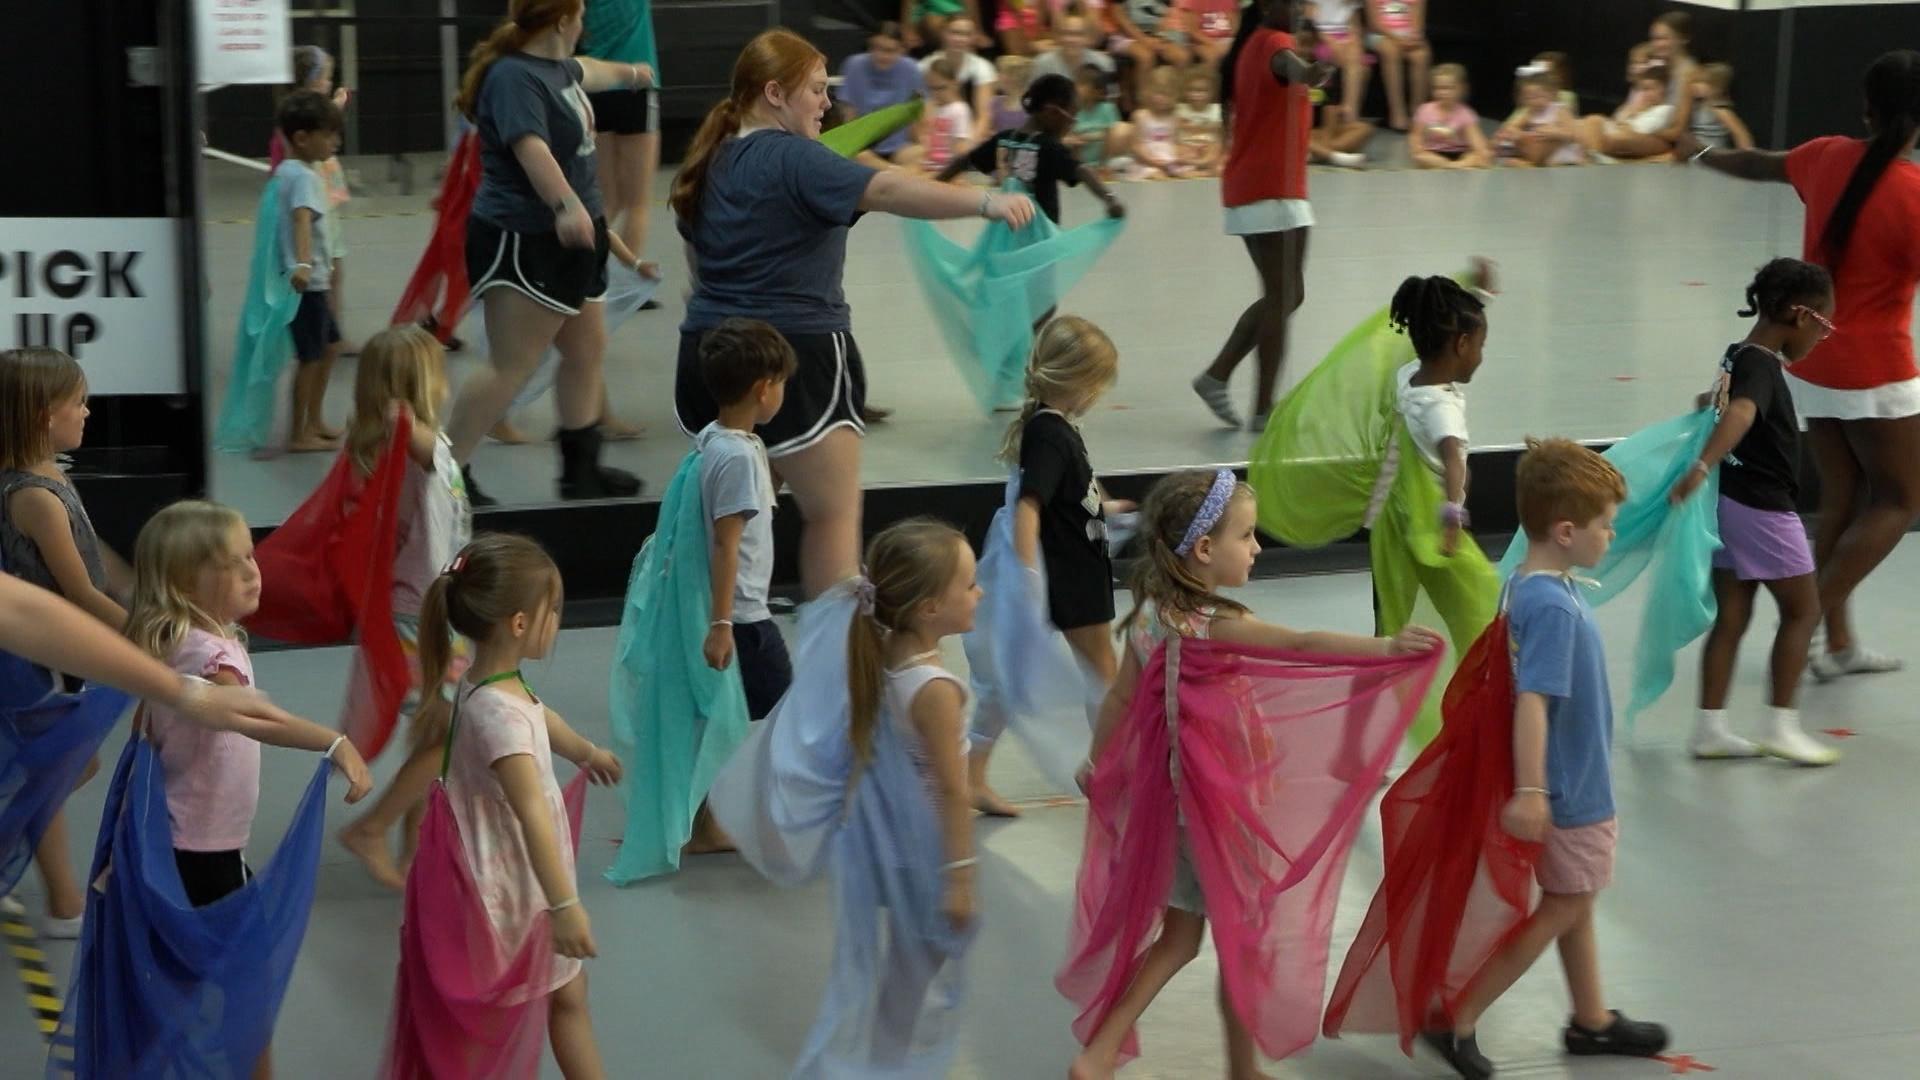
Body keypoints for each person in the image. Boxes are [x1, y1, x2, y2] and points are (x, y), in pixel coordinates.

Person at [1062, 470, 1442, 1080]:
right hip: (1219, 811)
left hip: (1175, 806)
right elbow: (1302, 643)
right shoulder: (1212, 623)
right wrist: (1387, 649)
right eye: (1246, 535)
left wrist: (1095, 761)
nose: (1257, 547)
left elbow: (1118, 702)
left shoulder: (1151, 619)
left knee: (1182, 938)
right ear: (1205, 551)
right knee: (1243, 941)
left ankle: (1103, 1050)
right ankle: (1234, 1067)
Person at [670, 29, 1032, 600]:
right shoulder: (796, 158)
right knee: (832, 517)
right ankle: (832, 667)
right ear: (774, 94)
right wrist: (985, 201)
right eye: (815, 90)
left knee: (736, 522)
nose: (826, 103)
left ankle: (724, 636)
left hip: (707, 358)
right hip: (796, 358)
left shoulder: (707, 161)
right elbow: (886, 190)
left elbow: (695, 266)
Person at [1423, 439, 1670, 1080]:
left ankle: (1591, 1020)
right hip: (1569, 786)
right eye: (1605, 525)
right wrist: (1533, 791)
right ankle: (1461, 1014)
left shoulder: (1530, 585)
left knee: (1576, 900)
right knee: (1563, 906)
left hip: (1571, 778)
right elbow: (1533, 701)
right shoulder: (1554, 607)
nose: (1611, 535)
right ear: (1566, 531)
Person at [708, 521, 983, 1076]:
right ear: (930, 608)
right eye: (970, 585)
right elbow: (954, 790)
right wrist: (960, 874)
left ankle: (884, 1060)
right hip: (924, 855)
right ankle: (885, 1066)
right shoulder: (935, 692)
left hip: (886, 847)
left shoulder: (880, 664)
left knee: (904, 976)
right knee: (915, 978)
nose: (980, 594)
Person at [1679, 49, 1920, 678]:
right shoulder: (1913, 196)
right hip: (1878, 373)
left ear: (1867, 107)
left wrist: (1701, 153)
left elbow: (1757, 163)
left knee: (1844, 495)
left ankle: (1838, 645)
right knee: (1899, 500)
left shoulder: (1823, 158)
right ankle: (1812, 616)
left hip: (1811, 363)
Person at [123, 499, 373, 1076]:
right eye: (231, 565)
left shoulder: (186, 639)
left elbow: (148, 724)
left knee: (194, 975)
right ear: (187, 583)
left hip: (181, 837)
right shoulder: (209, 656)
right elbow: (248, 717)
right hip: (202, 847)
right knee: (249, 981)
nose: (251, 572)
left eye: (250, 557)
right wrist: (334, 742)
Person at [379, 533, 622, 1078]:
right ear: (518, 623)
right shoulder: (498, 717)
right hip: (512, 893)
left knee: (567, 994)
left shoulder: (490, 682)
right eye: (551, 610)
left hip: (513, 878)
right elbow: (532, 811)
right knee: (503, 1015)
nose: (556, 620)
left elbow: (541, 714)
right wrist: (563, 906)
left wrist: (584, 750)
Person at [606, 318, 794, 882]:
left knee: (725, 716)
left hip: (733, 613)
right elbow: (726, 544)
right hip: (741, 616)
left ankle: (711, 819)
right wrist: (719, 624)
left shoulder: (719, 441)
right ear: (764, 389)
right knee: (784, 712)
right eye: (781, 383)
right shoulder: (736, 456)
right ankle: (754, 815)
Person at [444, 0, 654, 505]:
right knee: (510, 365)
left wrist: (633, 72)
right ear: (564, 20)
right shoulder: (513, 77)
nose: (585, 20)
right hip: (528, 238)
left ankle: (580, 470)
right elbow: (530, 146)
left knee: (585, 350)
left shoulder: (558, 68)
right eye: (580, 12)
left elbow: (593, 72)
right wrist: (565, 204)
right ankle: (447, 474)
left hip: (578, 237)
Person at [1665, 259, 1839, 765]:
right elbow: (1740, 412)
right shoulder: (1762, 363)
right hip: (1762, 507)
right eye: (1824, 324)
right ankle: (1781, 725)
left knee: (1733, 616)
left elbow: (1717, 401)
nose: (1823, 337)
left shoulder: (1737, 355)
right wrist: (1701, 463)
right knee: (1804, 610)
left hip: (1729, 502)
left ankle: (1710, 728)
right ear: (1799, 315)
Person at [332, 326, 477, 889]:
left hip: (437, 610)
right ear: (420, 384)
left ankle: (416, 850)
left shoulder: (411, 450)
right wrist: (396, 409)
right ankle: (374, 828)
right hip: (424, 615)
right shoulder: (412, 445)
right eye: (437, 374)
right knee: (448, 734)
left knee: (435, 735)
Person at [965, 317, 1124, 817]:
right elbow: (1030, 508)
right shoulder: (1050, 435)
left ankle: (973, 774)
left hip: (1071, 571)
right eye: (1098, 385)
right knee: (1107, 676)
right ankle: (1111, 770)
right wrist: (1028, 579)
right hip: (1071, 579)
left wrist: (1110, 510)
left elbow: (1067, 497)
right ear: (1079, 382)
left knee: (1014, 678)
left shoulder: (1051, 428)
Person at [0, 346, 129, 936]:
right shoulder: (34, 497)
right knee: (52, 768)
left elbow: (89, 560)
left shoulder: (52, 475)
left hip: (53, 652)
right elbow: (78, 594)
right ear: (44, 416)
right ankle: (65, 902)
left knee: (60, 765)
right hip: (36, 660)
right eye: (78, 402)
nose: (88, 411)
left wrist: (132, 589)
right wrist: (146, 636)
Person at [1193, 0, 1332, 431]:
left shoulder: (1253, 41)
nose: (1296, 8)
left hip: (1260, 184)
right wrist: (1309, 73)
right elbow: (1288, 65)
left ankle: (1218, 376)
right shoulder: (1274, 42)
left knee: (1286, 294)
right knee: (1282, 295)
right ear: (1270, 5)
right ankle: (1262, 407)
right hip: (1271, 187)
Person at [938, 74, 1127, 225]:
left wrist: (936, 184)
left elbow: (964, 161)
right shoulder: (1049, 147)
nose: (1072, 124)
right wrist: (1110, 199)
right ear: (1052, 112)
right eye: (1072, 117)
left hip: (1007, 229)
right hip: (1039, 234)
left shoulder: (1004, 138)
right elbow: (1083, 171)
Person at [274, 90, 349, 452]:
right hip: (307, 284)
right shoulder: (302, 177)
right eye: (329, 135)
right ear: (302, 139)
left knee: (330, 346)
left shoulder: (294, 170)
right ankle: (298, 432)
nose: (336, 142)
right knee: (310, 357)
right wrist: (303, 264)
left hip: (314, 280)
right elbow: (301, 219)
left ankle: (314, 418)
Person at [271, 46, 358, 353]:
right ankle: (326, 331)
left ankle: (330, 329)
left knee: (334, 265)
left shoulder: (301, 117)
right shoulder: (303, 121)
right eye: (325, 77)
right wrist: (336, 104)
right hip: (314, 200)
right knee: (328, 266)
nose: (327, 83)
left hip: (322, 199)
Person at [839, 22, 927, 169]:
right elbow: (849, 115)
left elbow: (918, 116)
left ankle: (893, 175)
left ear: (901, 50)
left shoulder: (911, 69)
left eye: (889, 50)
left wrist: (922, 144)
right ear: (870, 46)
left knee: (923, 153)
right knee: (859, 156)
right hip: (864, 148)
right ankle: (899, 176)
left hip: (899, 148)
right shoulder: (854, 65)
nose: (882, 55)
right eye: (877, 48)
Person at [918, 17, 998, 143]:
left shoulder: (983, 67)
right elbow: (923, 114)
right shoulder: (925, 67)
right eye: (955, 32)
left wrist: (970, 145)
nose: (960, 39)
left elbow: (984, 116)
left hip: (970, 133)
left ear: (974, 37)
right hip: (935, 133)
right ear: (943, 33)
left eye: (966, 34)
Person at [1410, 63, 1492, 169]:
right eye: (1438, 88)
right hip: (1433, 152)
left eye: (1448, 88)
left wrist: (1483, 152)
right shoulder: (1424, 110)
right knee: (1420, 157)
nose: (1442, 92)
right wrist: (1417, 148)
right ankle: (1454, 166)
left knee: (1480, 157)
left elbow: (1477, 142)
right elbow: (1416, 135)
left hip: (1460, 152)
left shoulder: (1466, 113)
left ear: (1461, 89)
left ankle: (1451, 165)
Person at [1495, 70, 1583, 168]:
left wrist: (1556, 132)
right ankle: (1512, 159)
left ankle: (1532, 164)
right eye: (1529, 98)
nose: (1534, 102)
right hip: (1536, 149)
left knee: (1552, 161)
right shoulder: (1529, 112)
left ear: (1551, 94)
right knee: (1508, 138)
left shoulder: (1559, 110)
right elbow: (1512, 126)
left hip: (1559, 150)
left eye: (1539, 97)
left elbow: (1573, 135)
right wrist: (1514, 132)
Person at [1110, 0, 1193, 100]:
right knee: (1146, 56)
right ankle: (1144, 104)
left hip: (1156, 35)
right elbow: (1120, 18)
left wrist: (1161, 38)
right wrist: (1144, 39)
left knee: (1182, 57)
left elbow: (1165, 17)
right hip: (1125, 36)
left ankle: (1176, 102)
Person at [1369, 0, 1428, 131]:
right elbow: (1374, 24)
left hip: (1407, 35)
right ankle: (1397, 113)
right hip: (1380, 35)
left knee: (1421, 56)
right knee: (1391, 52)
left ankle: (1417, 113)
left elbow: (1418, 23)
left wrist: (1413, 37)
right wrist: (1397, 38)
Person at [917, 56, 978, 172]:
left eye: (941, 88)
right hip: (930, 164)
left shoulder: (960, 109)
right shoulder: (933, 107)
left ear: (955, 84)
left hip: (946, 168)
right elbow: (923, 136)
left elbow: (962, 147)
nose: (936, 93)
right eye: (932, 88)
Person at [1067, 64, 1129, 172]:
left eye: (1084, 85)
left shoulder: (1108, 109)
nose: (1078, 89)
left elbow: (1114, 134)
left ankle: (1103, 168)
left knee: (1122, 129)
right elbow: (1067, 136)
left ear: (1097, 91)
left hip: (1105, 160)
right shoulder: (1070, 110)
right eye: (1078, 84)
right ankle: (1082, 170)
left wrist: (1089, 136)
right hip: (1079, 160)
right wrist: (1072, 139)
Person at [1125, 66, 1183, 178]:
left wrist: (1178, 157)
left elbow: (1176, 142)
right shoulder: (1141, 116)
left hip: (1169, 160)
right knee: (1159, 176)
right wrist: (1153, 161)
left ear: (1174, 96)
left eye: (1167, 95)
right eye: (1158, 93)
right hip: (1146, 161)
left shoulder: (1175, 117)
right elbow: (1136, 146)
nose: (1162, 99)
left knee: (1186, 174)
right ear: (1148, 91)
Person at [1033, 12, 1116, 84]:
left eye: (1078, 34)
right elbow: (1031, 98)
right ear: (1060, 37)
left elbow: (1110, 99)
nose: (1072, 40)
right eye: (1067, 34)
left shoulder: (1103, 63)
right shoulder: (1043, 63)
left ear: (1087, 38)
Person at [1688, 62, 1754, 151]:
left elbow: (1741, 134)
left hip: (1715, 156)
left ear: (1717, 87)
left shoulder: (1720, 110)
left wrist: (1745, 157)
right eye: (1696, 81)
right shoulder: (1696, 106)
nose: (1696, 86)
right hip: (1697, 155)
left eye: (1703, 83)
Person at [1174, 65, 1225, 178]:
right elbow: (1176, 127)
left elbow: (1221, 129)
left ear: (1211, 92)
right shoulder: (1180, 109)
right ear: (1185, 91)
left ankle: (1202, 167)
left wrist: (1191, 126)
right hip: (1187, 145)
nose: (1197, 95)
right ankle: (1200, 170)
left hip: (1208, 145)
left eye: (1202, 91)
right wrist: (1207, 126)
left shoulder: (1217, 109)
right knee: (1178, 148)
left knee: (1217, 147)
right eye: (1192, 90)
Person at [902, 0, 981, 52]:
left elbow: (970, 4)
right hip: (930, 14)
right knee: (933, 22)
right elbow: (910, 3)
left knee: (963, 28)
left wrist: (977, 29)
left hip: (959, 14)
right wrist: (909, 29)